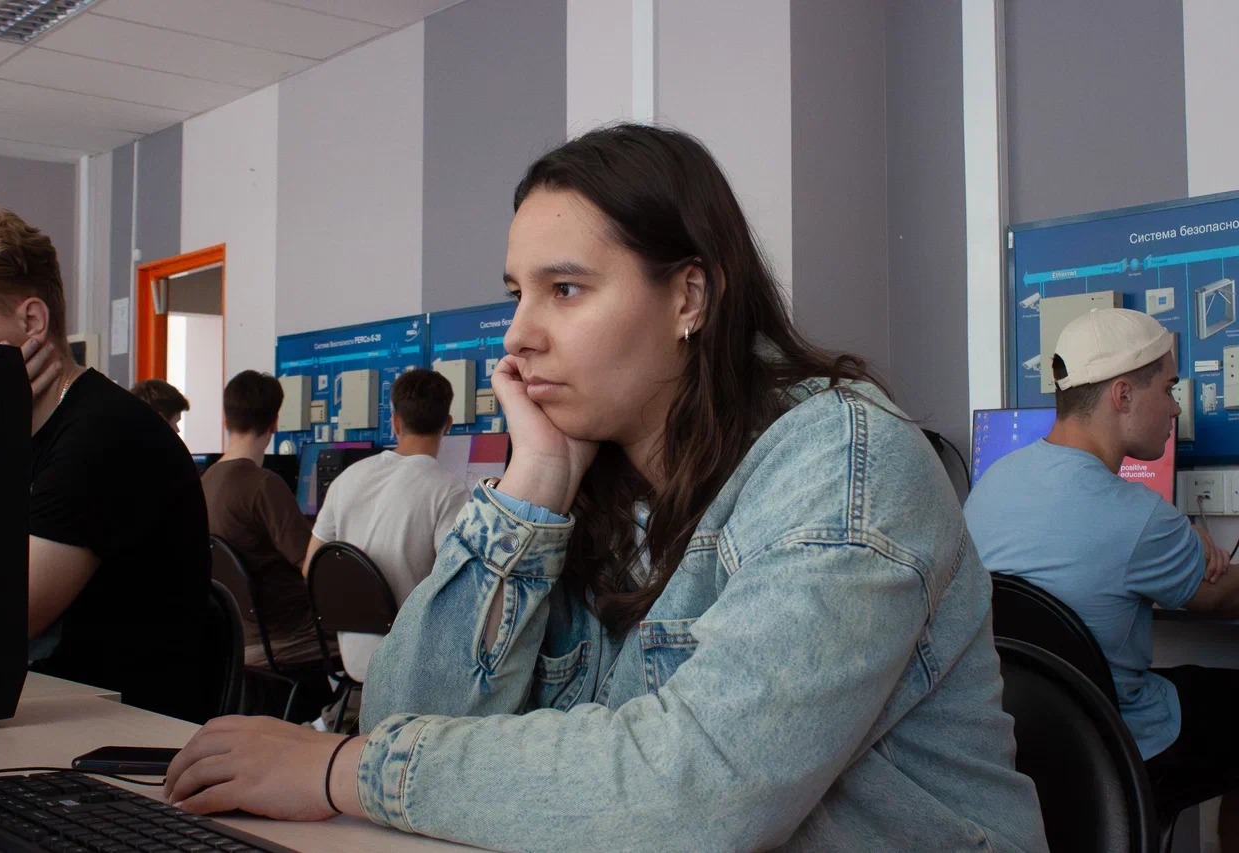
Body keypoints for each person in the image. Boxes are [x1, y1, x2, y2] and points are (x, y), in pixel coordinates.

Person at [165, 125, 1046, 850]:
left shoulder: (844, 463)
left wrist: (341, 770)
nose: (517, 335)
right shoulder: (593, 475)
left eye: (565, 289)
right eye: (517, 293)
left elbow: (697, 792)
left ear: (689, 297)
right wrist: (534, 485)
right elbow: (408, 712)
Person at [965, 307, 1239, 847]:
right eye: (1169, 388)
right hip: (1121, 748)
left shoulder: (992, 483)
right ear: (1123, 395)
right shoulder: (1138, 516)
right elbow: (1224, 597)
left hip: (1021, 738)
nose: (1175, 407)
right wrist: (1190, 548)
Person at [0, 201, 210, 722]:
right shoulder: (19, 437)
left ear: (31, 321)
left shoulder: (101, 436)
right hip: (51, 711)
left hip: (128, 736)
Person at [301, 368, 468, 728]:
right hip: (409, 664)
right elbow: (459, 587)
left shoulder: (346, 479)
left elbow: (311, 567)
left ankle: (333, 721)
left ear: (394, 422)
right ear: (448, 424)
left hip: (349, 660)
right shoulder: (449, 490)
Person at [201, 370, 323, 669]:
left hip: (235, 633)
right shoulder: (263, 485)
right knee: (379, 633)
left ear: (225, 420)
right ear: (274, 423)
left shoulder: (204, 482)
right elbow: (311, 565)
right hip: (289, 635)